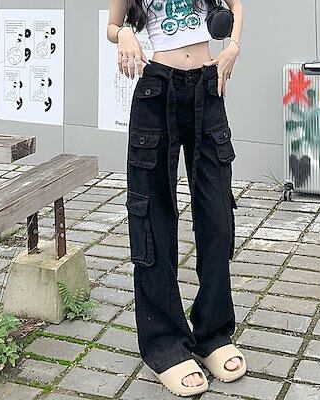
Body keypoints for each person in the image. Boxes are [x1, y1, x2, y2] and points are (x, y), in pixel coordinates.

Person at [107, 0, 245, 395]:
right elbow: (112, 26)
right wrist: (126, 33)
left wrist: (233, 46)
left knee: (217, 216)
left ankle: (213, 333)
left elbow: (236, 4)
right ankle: (165, 343)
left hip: (207, 86)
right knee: (154, 216)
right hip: (157, 90)